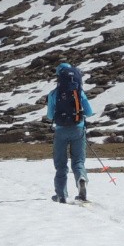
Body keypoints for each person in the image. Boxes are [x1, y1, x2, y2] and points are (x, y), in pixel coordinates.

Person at [44, 62, 94, 202]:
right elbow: (89, 112)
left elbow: (49, 116)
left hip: (60, 131)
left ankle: (61, 194)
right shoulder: (79, 92)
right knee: (78, 161)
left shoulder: (54, 93)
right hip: (78, 128)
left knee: (61, 164)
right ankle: (81, 179)